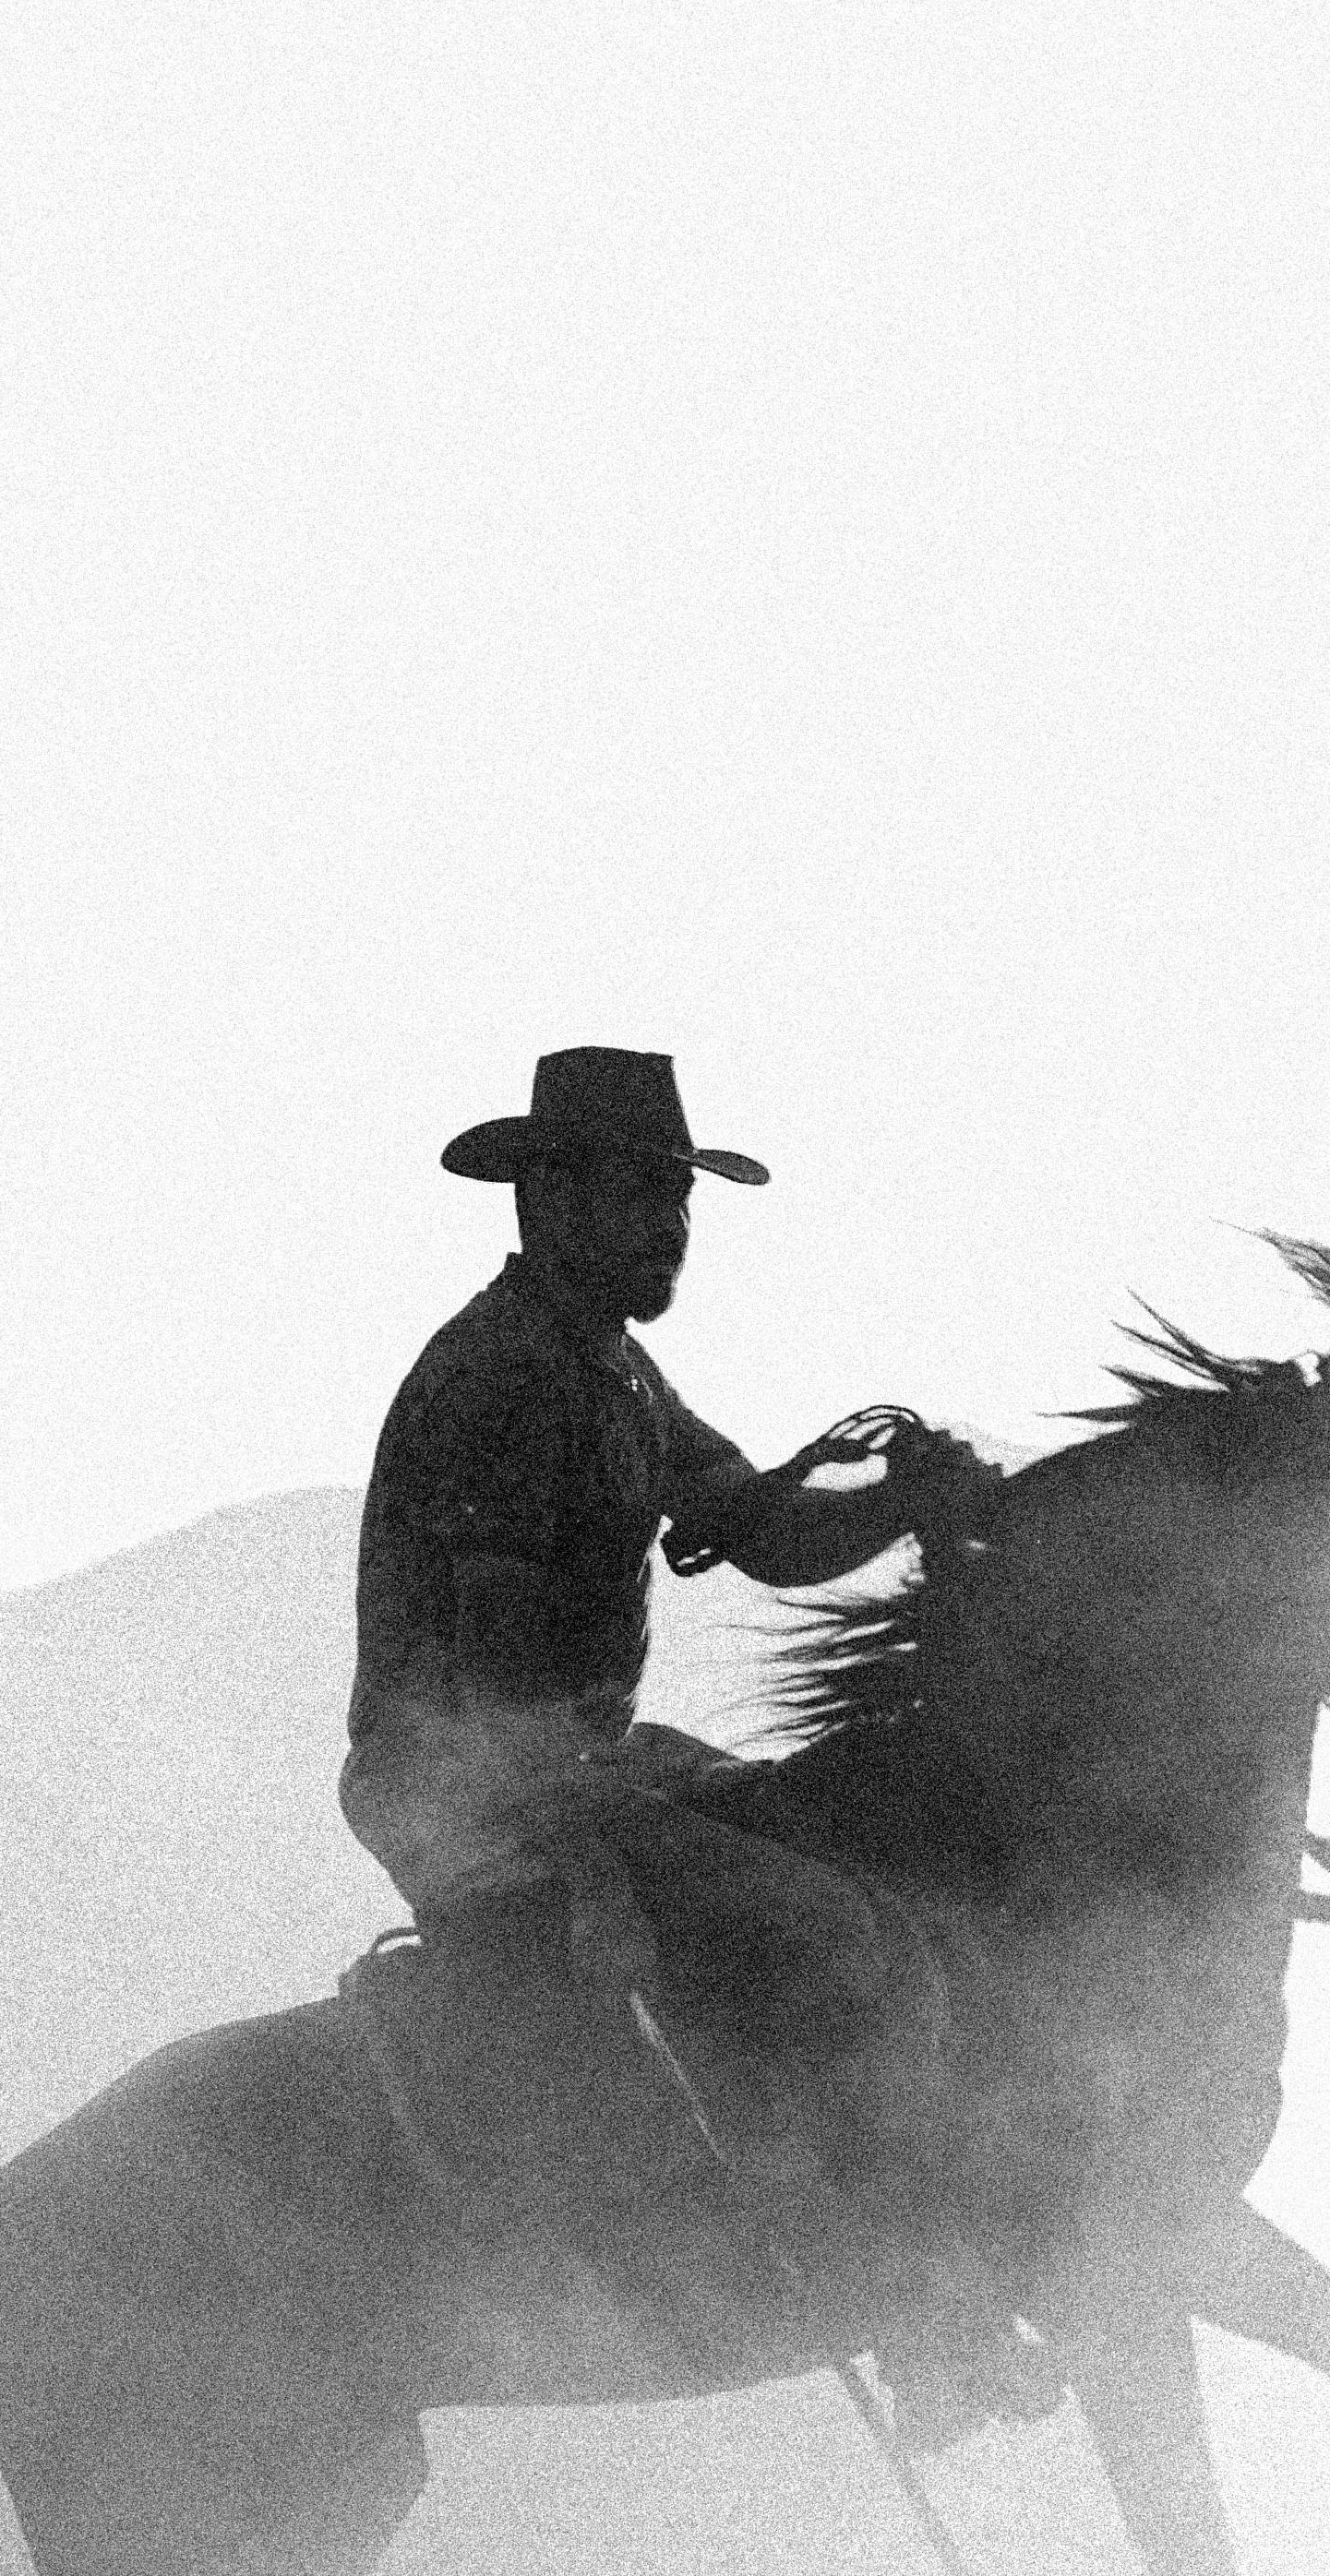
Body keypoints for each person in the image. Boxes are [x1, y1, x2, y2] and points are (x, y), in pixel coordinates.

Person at [341, 1045, 1054, 2443]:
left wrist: (901, 1501)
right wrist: (590, 1861)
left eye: (679, 1193)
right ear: (548, 1200)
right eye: (641, 1191)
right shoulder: (498, 1381)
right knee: (837, 1937)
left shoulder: (610, 1370)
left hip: (571, 1761)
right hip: (475, 1782)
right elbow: (482, 1673)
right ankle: (922, 2327)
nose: (671, 1223)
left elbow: (761, 1523)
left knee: (832, 1835)